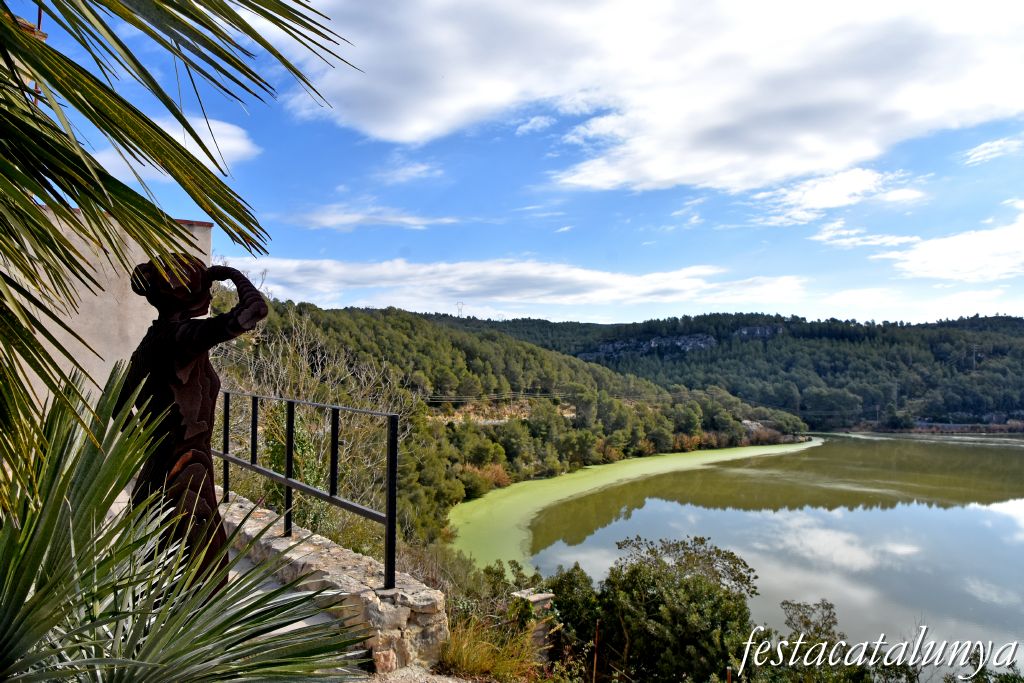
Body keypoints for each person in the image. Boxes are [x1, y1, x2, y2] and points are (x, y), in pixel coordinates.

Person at [122, 255, 268, 585]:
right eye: (205, 286)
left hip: (161, 464)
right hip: (186, 470)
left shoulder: (154, 340)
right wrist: (230, 274)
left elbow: (118, 403)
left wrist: (148, 441)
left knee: (156, 564)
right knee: (197, 571)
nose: (212, 294)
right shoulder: (183, 338)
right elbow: (254, 310)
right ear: (190, 294)